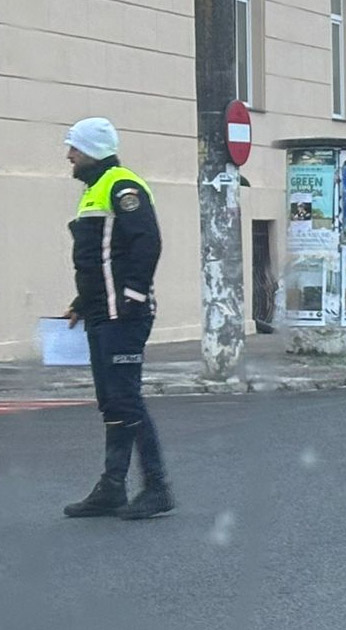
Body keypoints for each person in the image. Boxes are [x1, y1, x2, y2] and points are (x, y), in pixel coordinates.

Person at [61, 117, 174, 520]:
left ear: (92, 149)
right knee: (112, 402)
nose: (68, 154)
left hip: (123, 315)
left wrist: (133, 297)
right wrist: (80, 301)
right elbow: (101, 258)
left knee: (127, 398)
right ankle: (112, 488)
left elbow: (147, 242)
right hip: (100, 313)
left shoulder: (122, 185)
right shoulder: (93, 192)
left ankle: (157, 487)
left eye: (73, 147)